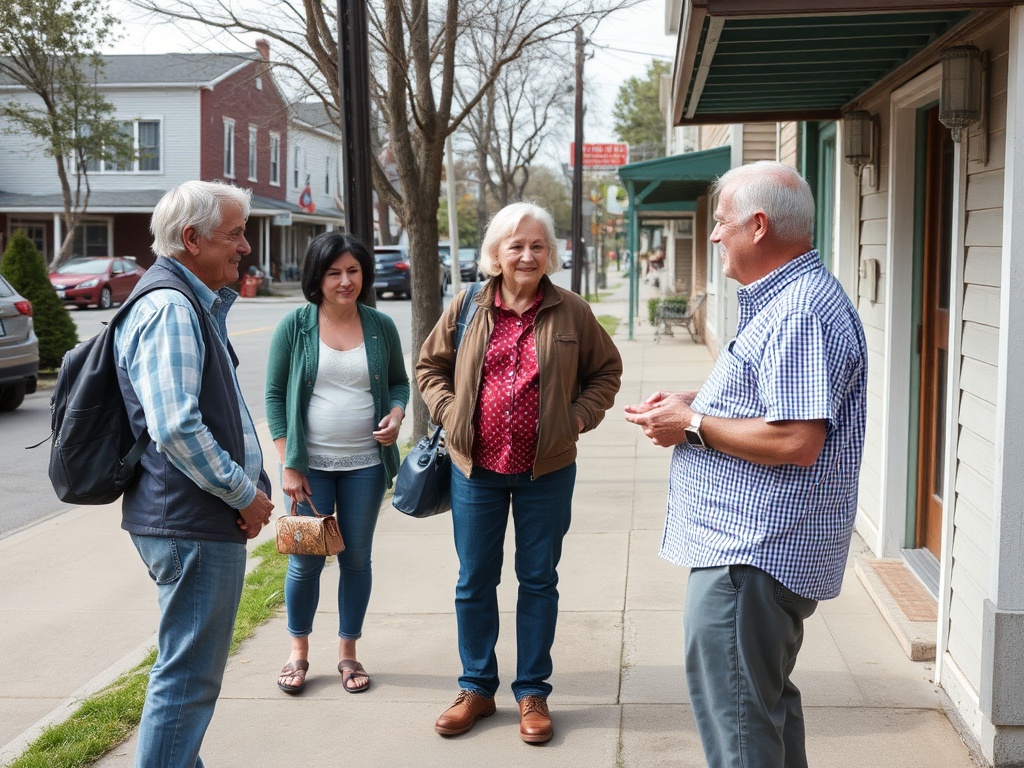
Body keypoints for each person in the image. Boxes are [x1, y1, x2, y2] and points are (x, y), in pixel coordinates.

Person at [624, 161, 867, 767]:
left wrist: (694, 426)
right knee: (762, 709)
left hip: (750, 553)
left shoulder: (799, 311)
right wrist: (695, 402)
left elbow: (795, 439)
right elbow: (771, 404)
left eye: (722, 223)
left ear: (758, 226)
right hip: (753, 552)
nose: (713, 235)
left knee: (740, 728)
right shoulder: (790, 301)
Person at [417, 202, 623, 744]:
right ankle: (477, 688)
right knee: (474, 581)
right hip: (475, 470)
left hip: (546, 471)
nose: (527, 254)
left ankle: (532, 691)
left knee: (538, 581)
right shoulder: (467, 306)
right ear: (496, 254)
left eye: (536, 245)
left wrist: (576, 418)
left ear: (549, 252)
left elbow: (606, 371)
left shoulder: (572, 312)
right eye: (516, 245)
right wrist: (448, 411)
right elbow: (428, 367)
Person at [113, 180, 275, 768]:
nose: (246, 246)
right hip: (193, 523)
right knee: (187, 683)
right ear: (191, 239)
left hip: (190, 521)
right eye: (234, 234)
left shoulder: (185, 301)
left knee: (187, 677)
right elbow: (177, 427)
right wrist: (244, 493)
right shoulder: (171, 307)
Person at [266, 231, 409, 695]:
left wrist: (396, 413)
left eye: (352, 271)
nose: (345, 281)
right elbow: (273, 396)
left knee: (357, 558)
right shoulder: (295, 326)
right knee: (306, 562)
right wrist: (288, 463)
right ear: (317, 277)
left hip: (366, 464)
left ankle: (348, 652)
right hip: (310, 469)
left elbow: (398, 384)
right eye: (334, 273)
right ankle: (298, 652)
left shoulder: (380, 325)